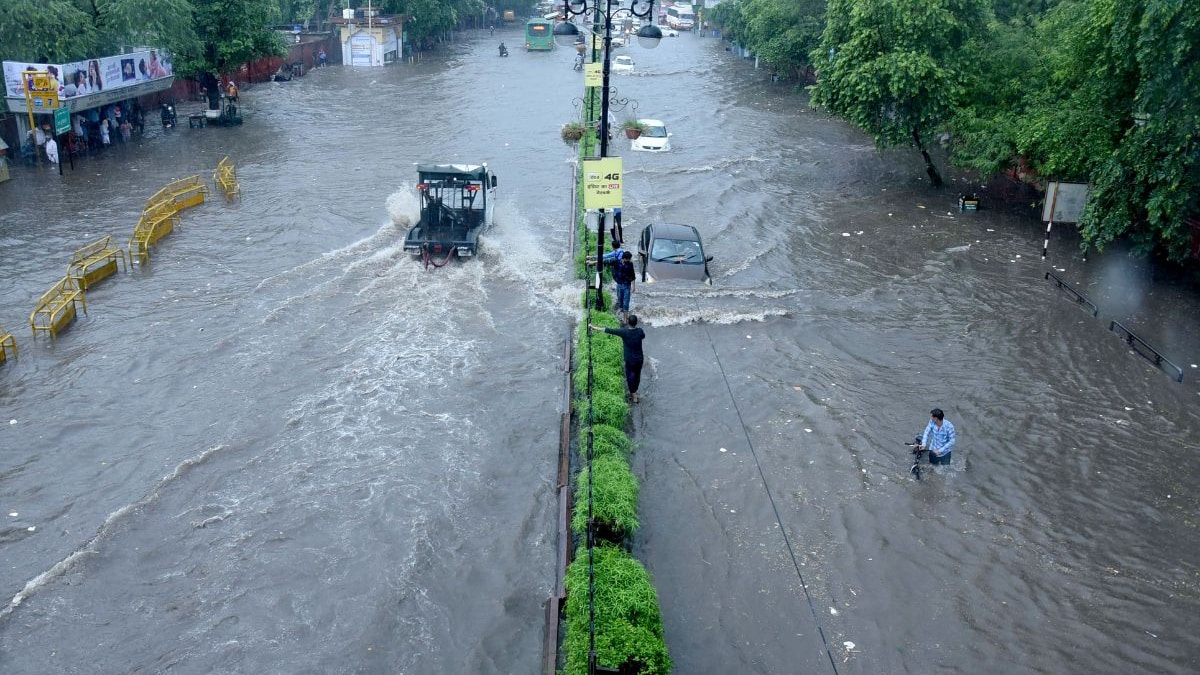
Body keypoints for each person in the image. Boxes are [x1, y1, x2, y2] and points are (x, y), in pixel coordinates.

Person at [588, 315, 646, 403]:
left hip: (630, 360)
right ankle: (635, 391)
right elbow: (643, 337)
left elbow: (609, 330)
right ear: (636, 323)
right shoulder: (640, 331)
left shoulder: (624, 332)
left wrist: (594, 327)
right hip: (639, 359)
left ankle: (633, 394)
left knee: (630, 376)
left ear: (628, 323)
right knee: (637, 376)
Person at [611, 251, 636, 318]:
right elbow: (606, 262)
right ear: (625, 258)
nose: (629, 260)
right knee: (620, 302)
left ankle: (625, 319)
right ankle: (621, 315)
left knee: (626, 303)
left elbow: (632, 275)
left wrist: (633, 287)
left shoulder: (630, 264)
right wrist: (593, 262)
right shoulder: (617, 262)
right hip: (619, 285)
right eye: (629, 259)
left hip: (627, 286)